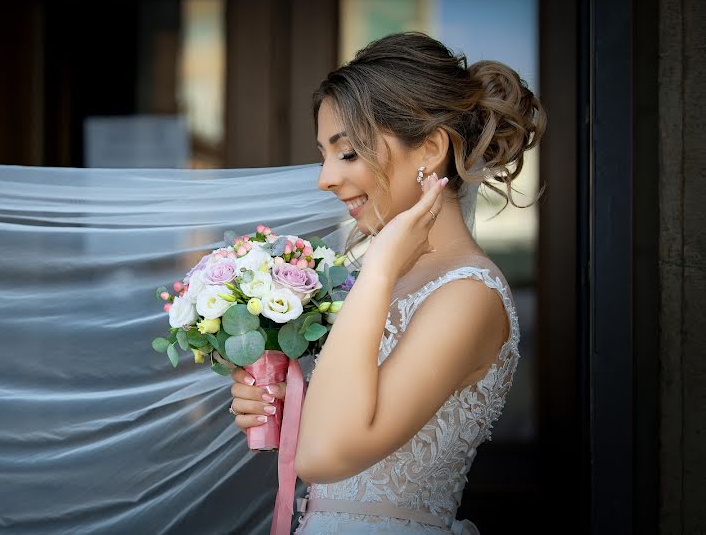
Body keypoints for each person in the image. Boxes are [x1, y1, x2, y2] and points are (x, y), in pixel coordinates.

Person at [228, 32, 546, 534]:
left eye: (348, 153)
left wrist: (378, 266)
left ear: (431, 149)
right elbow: (338, 427)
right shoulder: (384, 278)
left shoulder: (467, 295)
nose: (325, 178)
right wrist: (286, 408)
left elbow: (324, 456)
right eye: (323, 155)